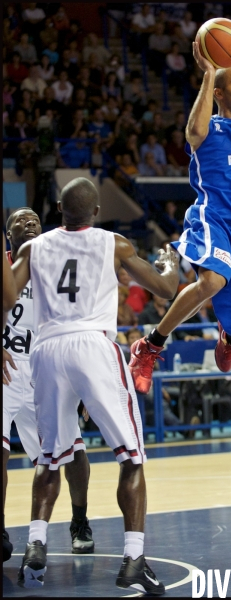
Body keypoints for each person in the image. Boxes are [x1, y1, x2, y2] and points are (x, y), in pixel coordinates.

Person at [10, 178, 179, 593]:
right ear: (96, 211)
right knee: (131, 456)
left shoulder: (34, 247)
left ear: (58, 211)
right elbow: (165, 289)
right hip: (93, 345)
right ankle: (134, 559)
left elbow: (6, 295)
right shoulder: (114, 243)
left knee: (48, 459)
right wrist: (169, 261)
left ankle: (34, 545)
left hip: (46, 351)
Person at [129, 29, 231, 394]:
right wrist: (208, 74)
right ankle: (150, 345)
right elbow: (192, 131)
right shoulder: (210, 127)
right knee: (212, 281)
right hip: (215, 217)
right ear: (219, 93)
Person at [3, 209, 94, 563]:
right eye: (19, 222)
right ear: (8, 234)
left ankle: (80, 521)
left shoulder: (59, 267)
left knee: (74, 452)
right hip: (7, 367)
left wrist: (83, 377)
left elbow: (77, 323)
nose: (29, 224)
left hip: (47, 367)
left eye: (35, 221)